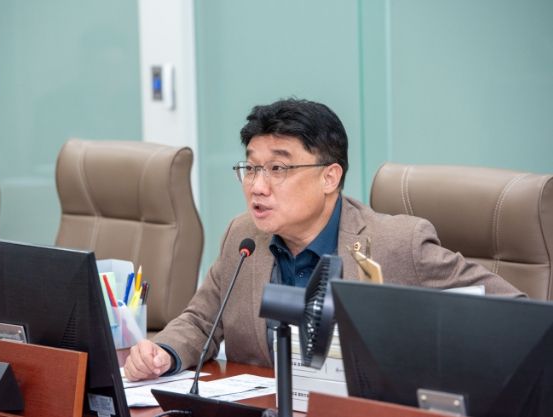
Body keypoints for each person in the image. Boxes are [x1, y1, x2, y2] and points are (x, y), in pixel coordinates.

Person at [123, 98, 523, 381]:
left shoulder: (399, 244)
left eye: (278, 168)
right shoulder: (243, 237)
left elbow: (517, 314)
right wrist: (164, 352)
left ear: (330, 177)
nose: (257, 186)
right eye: (251, 167)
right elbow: (200, 320)